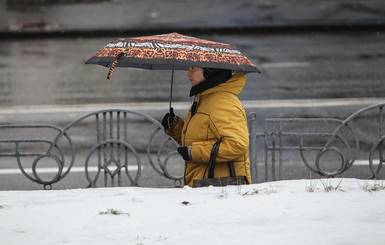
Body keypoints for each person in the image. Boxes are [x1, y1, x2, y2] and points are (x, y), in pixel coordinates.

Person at [162, 67, 252, 187]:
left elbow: (237, 145)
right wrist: (176, 128)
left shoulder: (222, 102)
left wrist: (192, 152)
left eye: (193, 68)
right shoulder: (204, 99)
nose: (188, 73)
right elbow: (202, 138)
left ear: (210, 71)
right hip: (207, 186)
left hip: (221, 190)